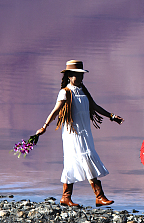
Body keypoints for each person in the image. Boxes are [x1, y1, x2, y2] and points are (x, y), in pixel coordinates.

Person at [36, 60, 123, 208]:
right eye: (76, 75)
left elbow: (94, 106)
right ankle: (98, 196)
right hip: (72, 133)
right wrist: (44, 126)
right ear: (69, 76)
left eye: (81, 75)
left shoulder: (83, 90)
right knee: (80, 159)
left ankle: (69, 197)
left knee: (83, 158)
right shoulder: (65, 92)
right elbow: (56, 111)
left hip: (85, 132)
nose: (80, 78)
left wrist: (111, 116)